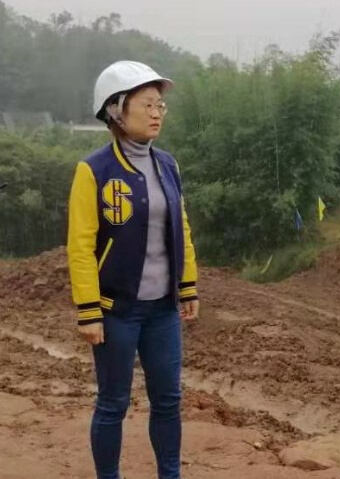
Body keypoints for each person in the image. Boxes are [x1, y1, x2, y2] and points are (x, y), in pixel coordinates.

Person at [67, 60, 199, 479]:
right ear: (116, 110)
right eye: (147, 104)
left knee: (168, 401)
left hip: (162, 311)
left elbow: (182, 228)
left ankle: (170, 475)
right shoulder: (94, 170)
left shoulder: (168, 165)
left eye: (161, 105)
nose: (157, 113)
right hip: (115, 312)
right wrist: (88, 311)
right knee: (113, 404)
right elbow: (80, 246)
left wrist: (188, 286)